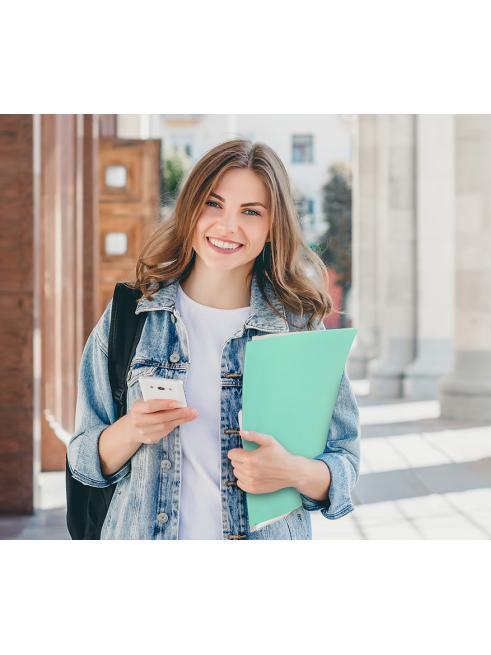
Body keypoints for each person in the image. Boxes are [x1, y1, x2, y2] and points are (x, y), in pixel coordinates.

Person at [67, 138, 361, 540]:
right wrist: (132, 429)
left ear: (273, 227)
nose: (228, 226)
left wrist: (293, 472)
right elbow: (83, 457)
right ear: (190, 209)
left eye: (251, 212)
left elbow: (344, 461)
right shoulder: (132, 315)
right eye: (213, 203)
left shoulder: (298, 328)